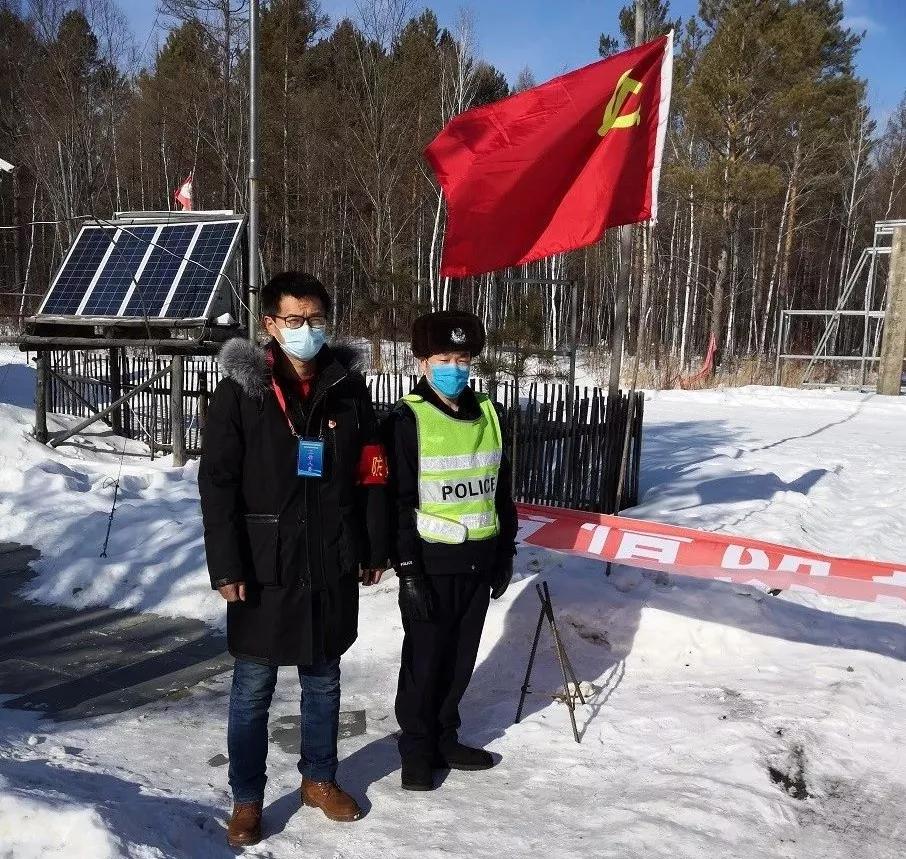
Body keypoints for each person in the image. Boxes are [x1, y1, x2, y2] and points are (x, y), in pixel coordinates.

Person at [198, 271, 388, 847]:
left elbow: (370, 474)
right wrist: (227, 565)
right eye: (294, 320)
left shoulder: (347, 388)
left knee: (324, 678)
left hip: (330, 558)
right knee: (253, 687)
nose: (306, 331)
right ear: (270, 325)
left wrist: (372, 547)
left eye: (315, 320)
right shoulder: (242, 391)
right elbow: (218, 482)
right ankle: (248, 800)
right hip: (263, 564)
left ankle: (319, 779)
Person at [384, 310, 519, 792]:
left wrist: (505, 552)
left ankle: (446, 737)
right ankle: (416, 747)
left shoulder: (489, 413)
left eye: (462, 359)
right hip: (429, 562)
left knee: (461, 659)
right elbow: (397, 502)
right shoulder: (407, 419)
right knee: (425, 660)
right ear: (422, 361)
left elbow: (500, 490)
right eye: (444, 358)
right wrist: (407, 570)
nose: (455, 368)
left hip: (479, 559)